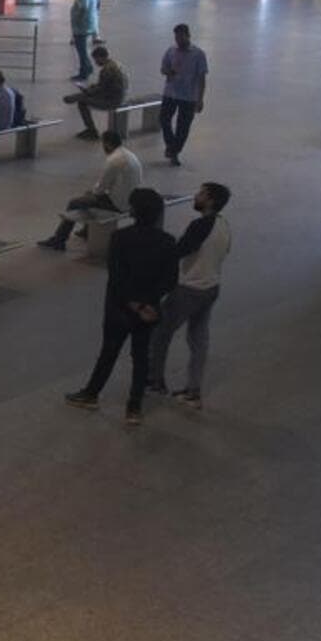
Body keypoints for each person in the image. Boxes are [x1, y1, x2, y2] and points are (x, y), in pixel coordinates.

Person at [64, 189, 177, 425]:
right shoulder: (167, 241)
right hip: (149, 311)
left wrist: (133, 304)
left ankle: (91, 394)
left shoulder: (121, 238)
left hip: (119, 308)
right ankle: (134, 407)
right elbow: (169, 280)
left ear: (134, 211)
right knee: (141, 356)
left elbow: (117, 277)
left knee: (109, 352)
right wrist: (148, 303)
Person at [150, 182, 232, 407]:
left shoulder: (199, 225)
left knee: (161, 332)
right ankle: (193, 390)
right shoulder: (224, 224)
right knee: (198, 339)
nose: (196, 197)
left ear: (211, 200)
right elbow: (225, 250)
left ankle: (155, 380)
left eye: (201, 194)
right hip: (212, 287)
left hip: (190, 289)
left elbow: (179, 251)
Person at [38, 131, 143, 251]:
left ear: (107, 144)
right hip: (131, 199)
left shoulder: (113, 161)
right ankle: (87, 230)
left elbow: (100, 190)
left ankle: (59, 239)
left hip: (118, 204)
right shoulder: (130, 155)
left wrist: (94, 192)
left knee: (74, 203)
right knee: (88, 196)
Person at [159, 23, 208, 166]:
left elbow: (202, 78)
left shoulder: (198, 54)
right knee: (164, 119)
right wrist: (168, 72)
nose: (178, 41)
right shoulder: (171, 51)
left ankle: (175, 151)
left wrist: (200, 99)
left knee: (183, 126)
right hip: (170, 93)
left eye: (181, 37)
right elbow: (163, 68)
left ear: (188, 36)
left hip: (188, 96)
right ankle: (171, 146)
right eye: (176, 38)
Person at [64, 45, 128, 139]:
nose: (95, 62)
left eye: (96, 59)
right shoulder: (116, 64)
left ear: (101, 57)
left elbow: (100, 90)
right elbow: (105, 86)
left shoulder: (107, 70)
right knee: (85, 96)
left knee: (82, 102)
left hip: (113, 100)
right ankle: (75, 97)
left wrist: (87, 92)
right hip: (119, 96)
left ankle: (91, 131)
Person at [70, 0, 101, 81]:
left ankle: (84, 71)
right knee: (83, 49)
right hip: (89, 24)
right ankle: (88, 68)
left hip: (82, 27)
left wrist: (77, 19)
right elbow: (98, 3)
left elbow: (82, 8)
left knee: (82, 50)